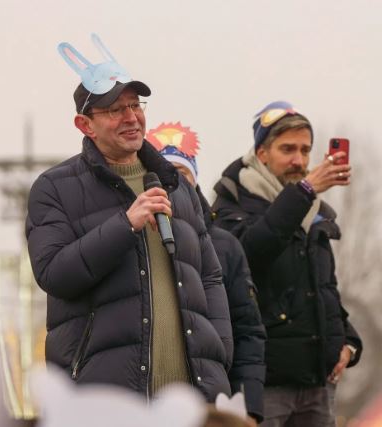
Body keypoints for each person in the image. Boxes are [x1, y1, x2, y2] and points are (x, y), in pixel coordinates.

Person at [26, 36, 233, 401]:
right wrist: (125, 225)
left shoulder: (175, 186)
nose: (131, 117)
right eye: (114, 110)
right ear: (85, 125)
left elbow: (210, 276)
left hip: (190, 396)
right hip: (105, 395)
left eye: (135, 105)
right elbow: (54, 274)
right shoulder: (55, 188)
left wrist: (218, 352)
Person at [211, 101, 363, 426]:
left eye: (305, 150)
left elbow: (323, 287)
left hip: (317, 382)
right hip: (265, 382)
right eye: (288, 149)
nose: (299, 160)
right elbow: (250, 255)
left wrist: (347, 341)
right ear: (262, 153)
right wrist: (304, 193)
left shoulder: (312, 210)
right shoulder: (232, 203)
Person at [148, 123, 266, 426]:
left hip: (208, 400)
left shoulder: (224, 245)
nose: (172, 183)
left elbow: (247, 329)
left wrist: (249, 405)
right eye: (161, 173)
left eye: (180, 173)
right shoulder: (130, 235)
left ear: (194, 178)